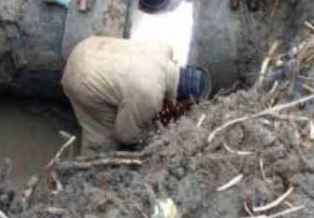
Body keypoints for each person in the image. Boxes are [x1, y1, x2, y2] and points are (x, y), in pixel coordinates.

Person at [61, 36, 212, 154]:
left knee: (123, 96)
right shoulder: (150, 97)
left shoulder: (164, 48)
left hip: (88, 48)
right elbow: (125, 134)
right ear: (182, 97)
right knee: (104, 137)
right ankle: (88, 174)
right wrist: (153, 134)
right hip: (82, 79)